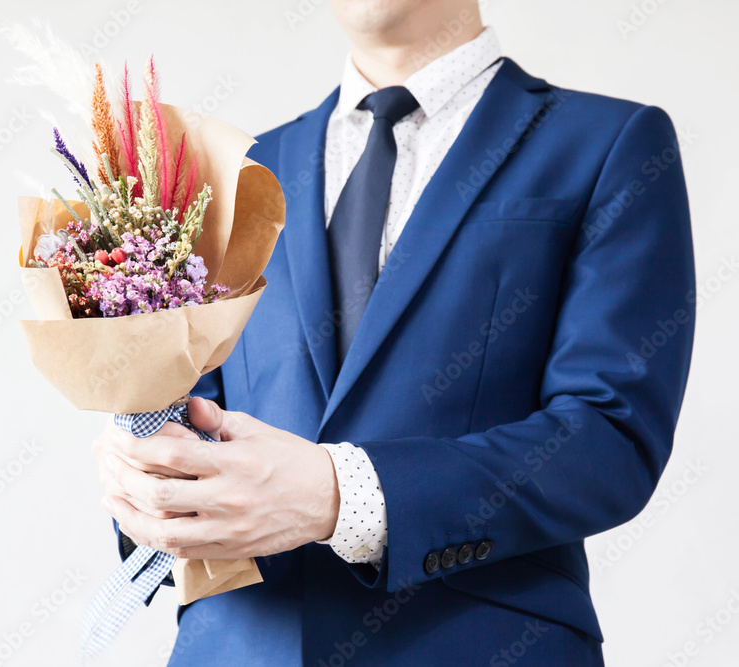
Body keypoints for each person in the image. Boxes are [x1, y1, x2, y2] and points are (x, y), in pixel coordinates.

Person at [92, 0, 696, 664]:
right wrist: (148, 482)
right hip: (239, 645)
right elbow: (189, 413)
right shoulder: (233, 174)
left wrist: (339, 492)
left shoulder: (609, 143)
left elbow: (608, 439)